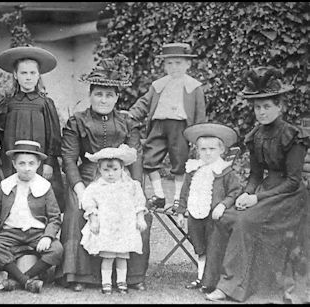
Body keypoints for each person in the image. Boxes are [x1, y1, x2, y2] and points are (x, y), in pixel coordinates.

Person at [205, 67, 309, 302]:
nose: (261, 112)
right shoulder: (255, 136)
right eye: (257, 107)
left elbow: (293, 181)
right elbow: (254, 175)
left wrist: (257, 198)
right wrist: (248, 193)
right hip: (264, 191)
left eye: (266, 107)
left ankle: (230, 287)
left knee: (244, 221)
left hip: (290, 198)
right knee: (225, 217)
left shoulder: (293, 136)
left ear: (279, 106)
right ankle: (212, 280)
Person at [56, 54, 152, 292]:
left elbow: (136, 155)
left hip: (121, 179)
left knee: (139, 215)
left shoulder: (127, 122)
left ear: (117, 98)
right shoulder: (77, 121)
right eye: (98, 94)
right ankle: (78, 274)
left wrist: (136, 187)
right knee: (78, 211)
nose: (103, 99)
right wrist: (78, 187)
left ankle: (131, 276)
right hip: (87, 177)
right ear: (90, 95)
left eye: (109, 95)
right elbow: (69, 158)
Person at [0, 45, 65, 212]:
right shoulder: (9, 102)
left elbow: (54, 136)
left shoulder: (45, 103)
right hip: (13, 161)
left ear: (38, 75)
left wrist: (50, 162)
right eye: (23, 73)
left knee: (40, 194)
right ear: (15, 75)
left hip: (40, 161)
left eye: (32, 73)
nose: (28, 77)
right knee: (14, 193)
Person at [128, 42, 206, 210]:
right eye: (169, 63)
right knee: (149, 158)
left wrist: (199, 135)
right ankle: (159, 195)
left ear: (188, 64)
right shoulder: (158, 85)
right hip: (159, 124)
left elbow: (200, 113)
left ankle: (178, 198)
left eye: (178, 63)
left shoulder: (194, 87)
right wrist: (132, 114)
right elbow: (144, 102)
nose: (174, 67)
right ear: (164, 65)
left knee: (180, 161)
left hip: (180, 128)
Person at [175, 123, 242, 292]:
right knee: (200, 247)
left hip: (214, 217)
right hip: (195, 215)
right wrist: (181, 212)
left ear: (221, 150)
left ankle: (212, 280)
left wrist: (223, 204)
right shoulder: (193, 169)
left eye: (212, 149)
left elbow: (235, 191)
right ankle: (201, 277)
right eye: (203, 149)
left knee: (214, 247)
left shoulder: (225, 171)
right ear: (198, 151)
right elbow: (185, 192)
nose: (207, 153)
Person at [0, 140, 63, 293]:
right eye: (22, 163)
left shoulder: (44, 186)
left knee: (56, 249)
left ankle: (20, 279)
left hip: (36, 233)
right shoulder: (6, 185)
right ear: (14, 164)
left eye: (31, 163)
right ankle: (26, 281)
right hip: (10, 233)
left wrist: (48, 236)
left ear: (38, 164)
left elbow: (54, 217)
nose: (26, 168)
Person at [80, 144, 147, 294]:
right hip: (107, 227)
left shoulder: (130, 186)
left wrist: (140, 217)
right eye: (106, 170)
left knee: (122, 256)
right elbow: (89, 203)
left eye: (115, 169)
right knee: (108, 256)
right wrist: (94, 219)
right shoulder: (96, 187)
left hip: (125, 226)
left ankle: (122, 282)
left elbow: (139, 203)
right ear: (99, 170)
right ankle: (106, 283)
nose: (110, 174)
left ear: (122, 168)